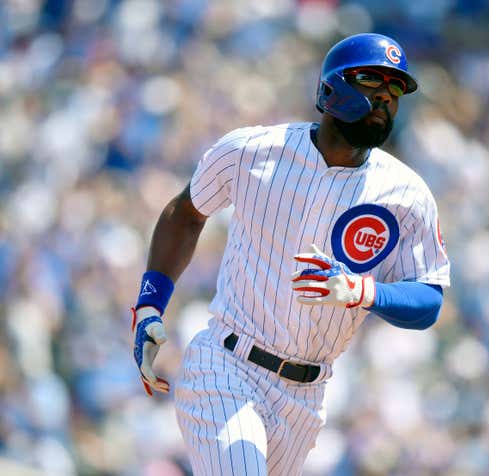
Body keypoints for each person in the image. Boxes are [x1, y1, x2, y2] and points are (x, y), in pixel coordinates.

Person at [131, 33, 450, 476]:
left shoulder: (407, 195)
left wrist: (364, 290)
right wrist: (149, 304)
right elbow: (185, 213)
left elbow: (429, 299)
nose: (384, 97)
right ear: (329, 89)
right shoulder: (252, 151)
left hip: (307, 395)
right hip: (226, 367)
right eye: (370, 81)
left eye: (395, 89)